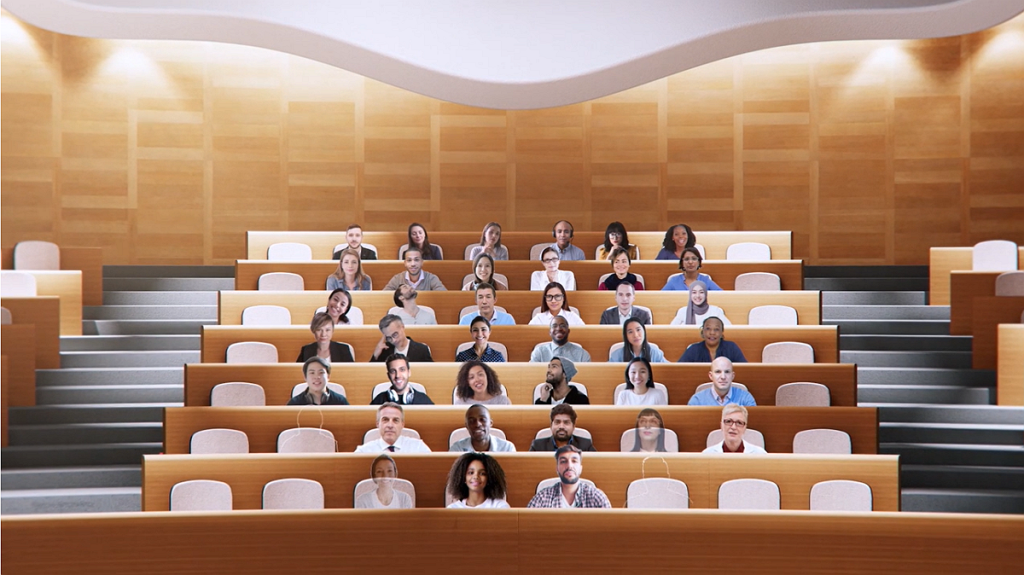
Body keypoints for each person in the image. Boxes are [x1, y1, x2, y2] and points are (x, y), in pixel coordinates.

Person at [526, 445, 611, 508]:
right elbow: (527, 524)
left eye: (574, 461)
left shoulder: (596, 496)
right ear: (557, 468)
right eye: (563, 461)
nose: (569, 466)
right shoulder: (543, 497)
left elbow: (610, 527)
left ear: (580, 468)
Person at [355, 402, 432, 452]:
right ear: (378, 424)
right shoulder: (364, 451)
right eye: (385, 420)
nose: (390, 425)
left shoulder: (418, 447)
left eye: (395, 420)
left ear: (402, 425)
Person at [445, 452, 510, 509]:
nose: (476, 477)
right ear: (463, 477)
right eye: (471, 473)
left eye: (482, 473)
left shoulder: (500, 507)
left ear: (489, 478)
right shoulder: (453, 509)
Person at [688, 357, 756, 406]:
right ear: (711, 376)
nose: (723, 377)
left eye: (727, 372)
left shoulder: (745, 398)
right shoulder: (697, 400)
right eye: (718, 372)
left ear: (732, 376)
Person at [370, 354, 435, 405]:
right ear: (388, 376)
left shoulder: (423, 400)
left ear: (409, 372)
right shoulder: (378, 401)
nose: (398, 375)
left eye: (402, 370)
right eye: (393, 371)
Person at [678, 316, 747, 363]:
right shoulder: (694, 349)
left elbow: (744, 369)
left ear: (721, 332)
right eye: (708, 329)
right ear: (703, 331)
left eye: (716, 329)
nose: (712, 333)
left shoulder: (731, 347)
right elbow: (679, 369)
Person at [449, 404, 517, 452]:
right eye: (472, 421)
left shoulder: (507, 448)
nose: (477, 424)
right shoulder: (457, 449)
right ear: (467, 426)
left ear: (490, 423)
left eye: (482, 419)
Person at [529, 404, 596, 451]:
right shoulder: (537, 446)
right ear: (551, 425)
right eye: (557, 422)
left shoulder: (585, 445)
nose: (561, 426)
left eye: (566, 422)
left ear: (573, 426)